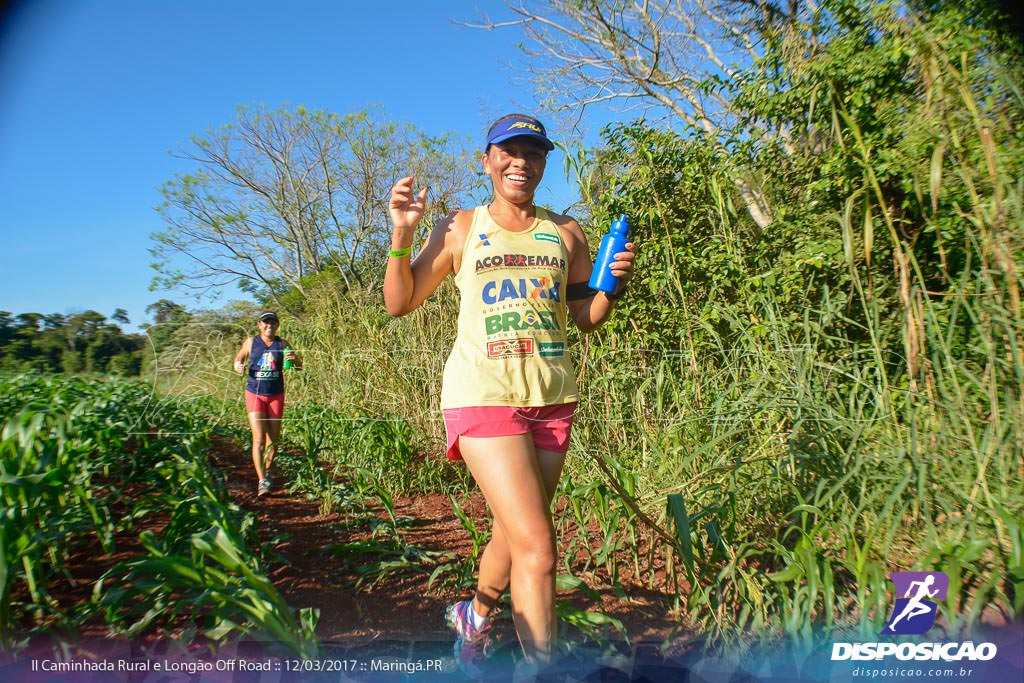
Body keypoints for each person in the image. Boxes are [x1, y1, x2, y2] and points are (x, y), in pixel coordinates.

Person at [383, 113, 637, 674]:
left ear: (545, 164)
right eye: (509, 151)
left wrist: (612, 286)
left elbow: (583, 316)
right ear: (488, 160)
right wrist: (402, 234)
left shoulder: (567, 232)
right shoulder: (461, 226)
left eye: (534, 153)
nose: (522, 161)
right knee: (540, 549)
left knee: (515, 530)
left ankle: (473, 616)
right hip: (482, 393)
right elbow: (400, 302)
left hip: (552, 397)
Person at [233, 311, 301, 497]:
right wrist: (238, 365)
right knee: (259, 439)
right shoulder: (250, 342)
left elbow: (299, 366)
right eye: (266, 322)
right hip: (254, 394)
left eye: (273, 322)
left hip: (275, 395)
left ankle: (268, 470)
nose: (269, 325)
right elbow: (239, 358)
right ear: (259, 325)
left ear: (277, 325)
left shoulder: (283, 344)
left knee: (274, 441)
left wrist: (293, 359)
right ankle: (262, 480)